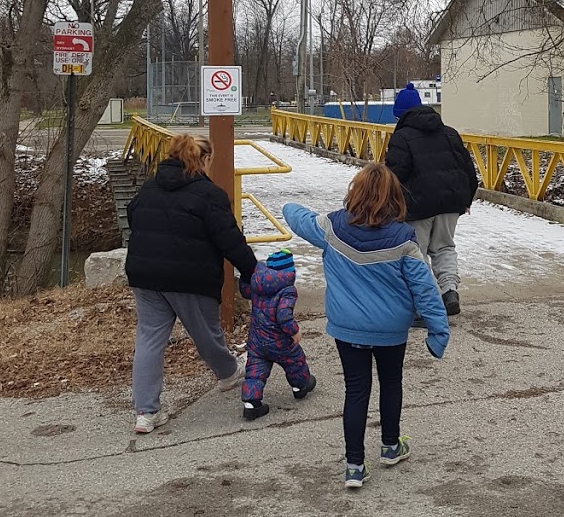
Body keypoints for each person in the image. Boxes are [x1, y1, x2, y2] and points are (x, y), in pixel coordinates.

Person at [284, 163, 450, 490]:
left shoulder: (331, 228)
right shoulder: (404, 240)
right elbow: (425, 288)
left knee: (356, 391)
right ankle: (390, 446)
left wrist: (289, 203)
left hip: (347, 328)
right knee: (391, 383)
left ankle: (354, 466)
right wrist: (438, 330)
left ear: (354, 192)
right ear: (394, 197)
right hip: (391, 330)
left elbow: (294, 216)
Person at [125, 133, 257, 435]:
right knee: (206, 334)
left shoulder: (149, 188)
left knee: (149, 340)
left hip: (145, 276)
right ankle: (227, 374)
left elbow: (134, 216)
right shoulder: (208, 194)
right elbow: (230, 240)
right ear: (204, 159)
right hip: (189, 277)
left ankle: (145, 413)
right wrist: (252, 271)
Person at [385, 104, 479, 317]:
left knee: (416, 254)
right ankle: (449, 291)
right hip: (450, 202)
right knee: (444, 247)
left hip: (417, 205)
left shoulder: (402, 137)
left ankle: (424, 304)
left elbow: (394, 175)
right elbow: (468, 169)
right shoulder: (450, 133)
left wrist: (389, 205)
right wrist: (466, 200)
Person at [239, 248, 316, 421]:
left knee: (255, 371)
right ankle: (301, 386)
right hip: (279, 341)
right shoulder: (288, 290)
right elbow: (283, 315)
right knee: (295, 361)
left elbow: (245, 290)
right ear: (290, 272)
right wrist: (294, 330)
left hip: (257, 340)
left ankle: (251, 404)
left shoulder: (257, 284)